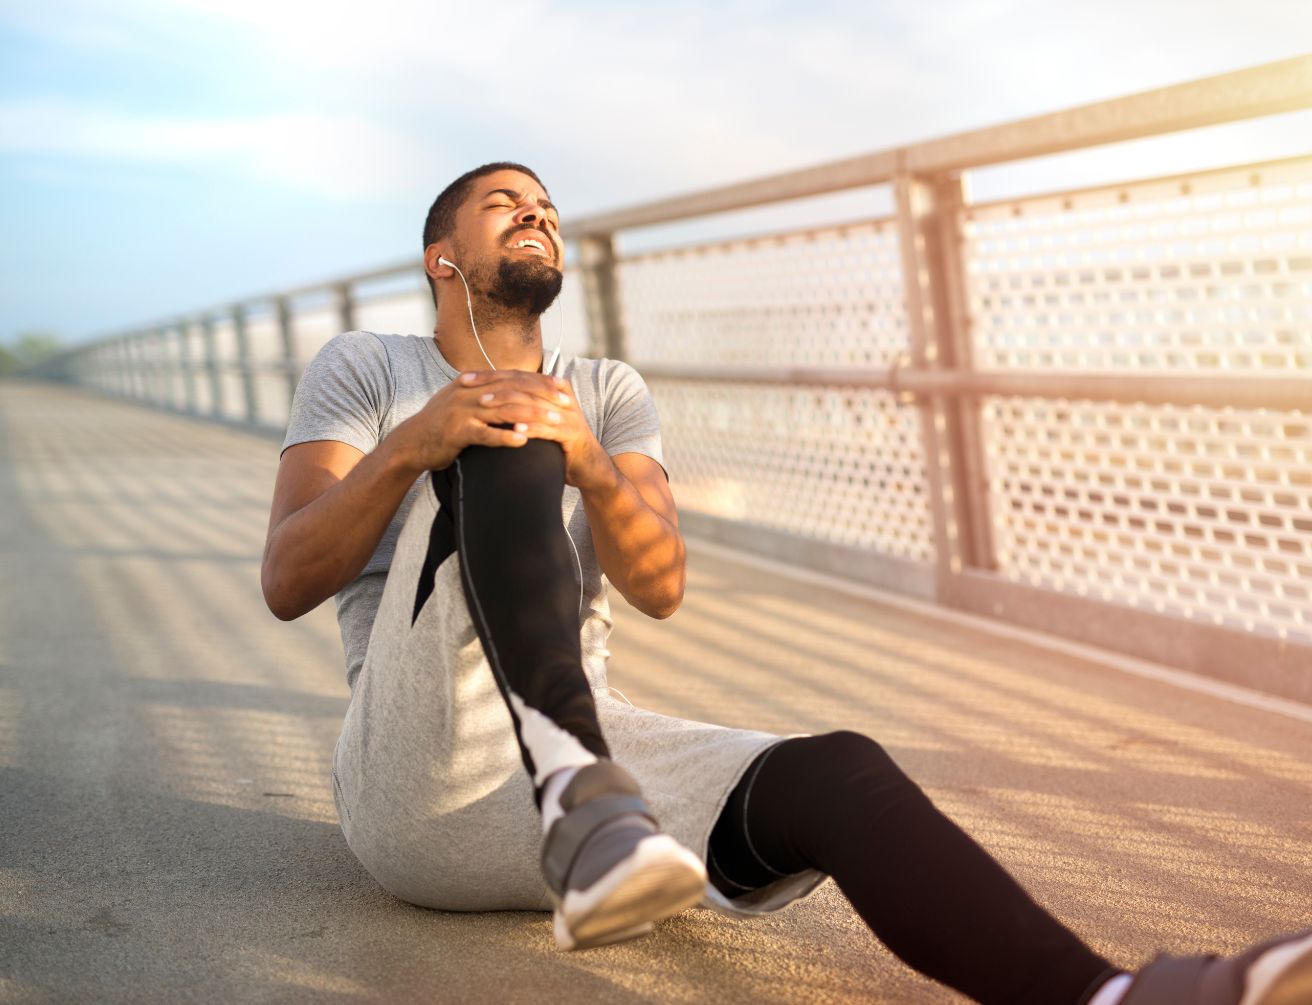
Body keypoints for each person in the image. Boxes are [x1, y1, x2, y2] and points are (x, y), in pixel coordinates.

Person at [261, 162, 1311, 1004]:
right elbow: (289, 577)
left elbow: (659, 587)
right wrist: (415, 445)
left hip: (605, 801)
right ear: (444, 257)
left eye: (545, 207)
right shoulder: (368, 368)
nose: (534, 214)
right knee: (502, 421)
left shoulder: (608, 392)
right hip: (421, 775)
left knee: (836, 771)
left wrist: (588, 462)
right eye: (504, 205)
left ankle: (1106, 995)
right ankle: (576, 789)